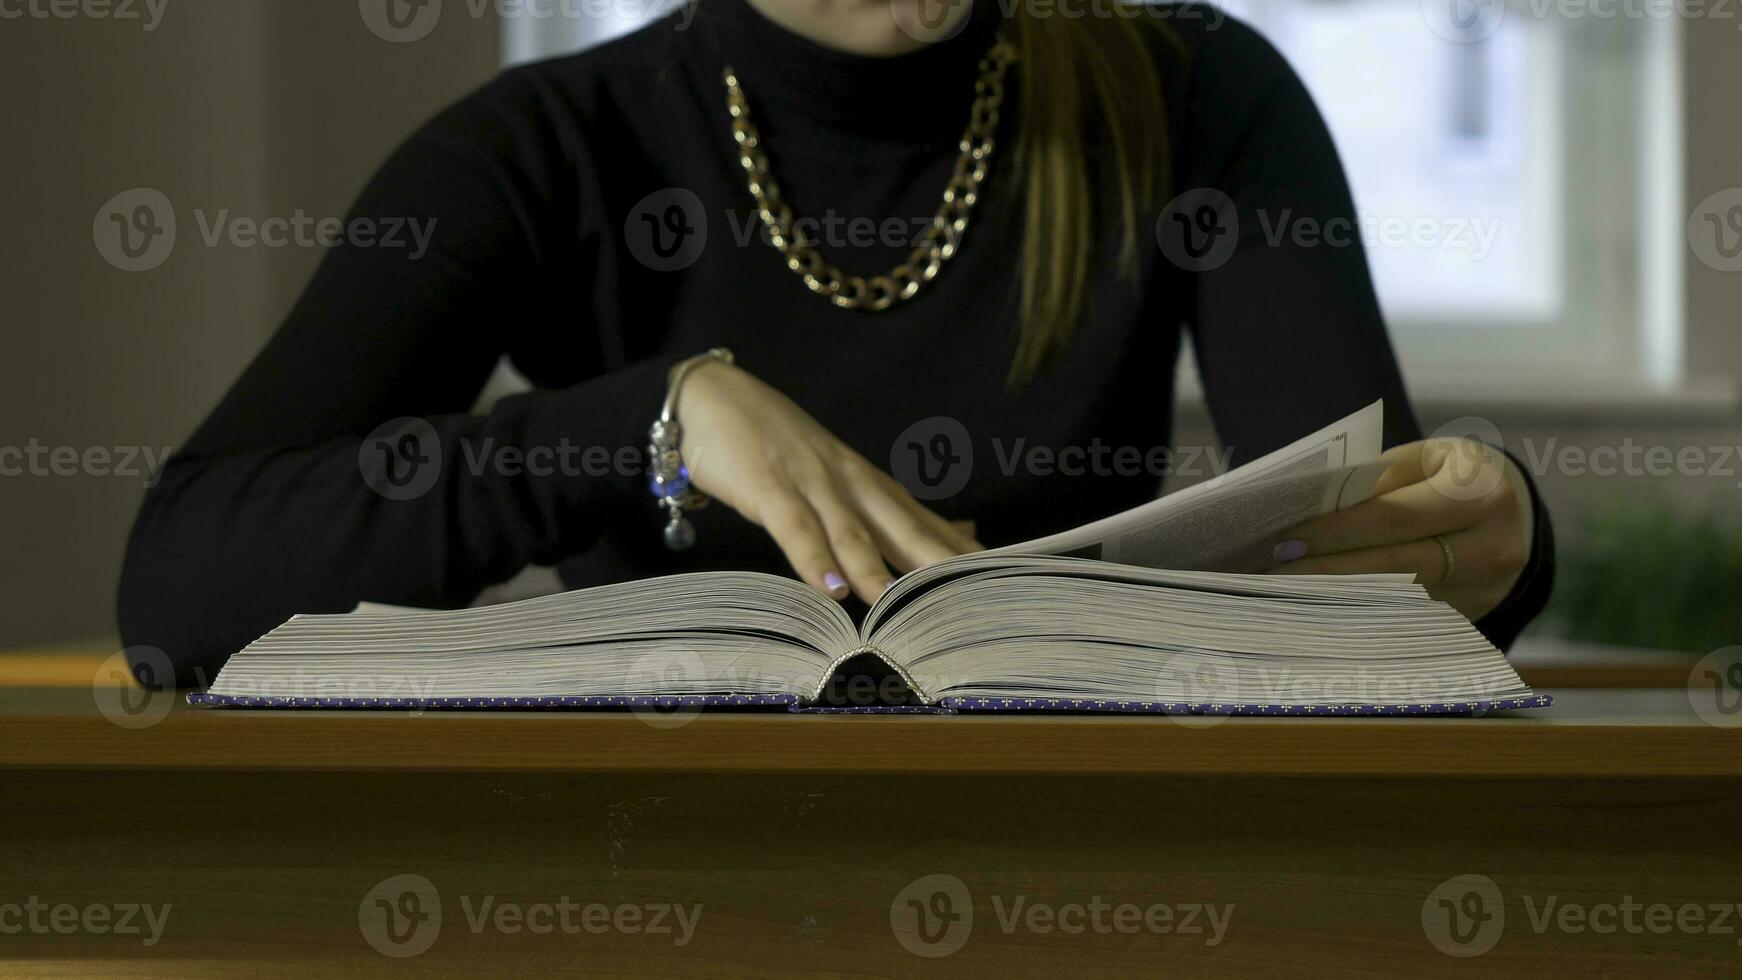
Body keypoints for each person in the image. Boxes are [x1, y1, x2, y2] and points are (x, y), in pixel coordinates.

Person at [118, 0, 1553, 687]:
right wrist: (646, 424)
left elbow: (1382, 566)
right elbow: (182, 589)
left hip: (1095, 862)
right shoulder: (541, 147)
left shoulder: (1191, 90)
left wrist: (1494, 538)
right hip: (645, 883)